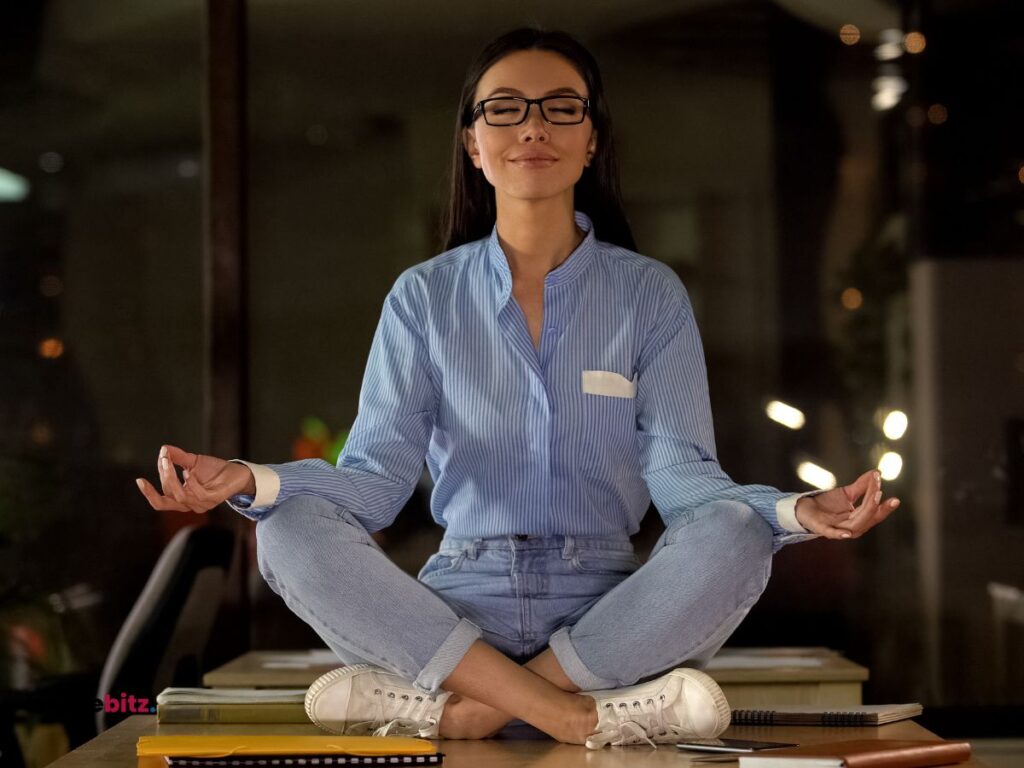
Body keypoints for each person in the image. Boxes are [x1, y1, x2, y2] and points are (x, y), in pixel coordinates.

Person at [136, 27, 899, 749]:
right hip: (454, 607)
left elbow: (685, 482)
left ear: (591, 137)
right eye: (504, 110)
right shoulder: (422, 297)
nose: (533, 128)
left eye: (561, 108)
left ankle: (466, 714)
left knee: (736, 531)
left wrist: (792, 511)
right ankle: (578, 718)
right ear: (473, 142)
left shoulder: (649, 295)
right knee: (286, 529)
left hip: (607, 612)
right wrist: (251, 479)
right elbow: (372, 484)